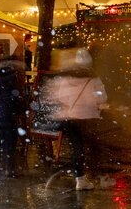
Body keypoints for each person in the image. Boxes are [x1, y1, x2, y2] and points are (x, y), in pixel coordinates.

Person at [43, 48, 107, 191]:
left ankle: (79, 177)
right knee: (90, 147)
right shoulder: (93, 78)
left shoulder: (65, 77)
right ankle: (91, 176)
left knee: (76, 147)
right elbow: (102, 97)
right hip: (87, 117)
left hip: (69, 117)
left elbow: (60, 97)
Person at [0, 54, 25, 177]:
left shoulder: (3, 74)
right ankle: (9, 169)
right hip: (8, 112)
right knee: (10, 141)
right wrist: (18, 104)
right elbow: (13, 95)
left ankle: (8, 168)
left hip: (2, 111)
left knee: (7, 141)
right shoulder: (10, 75)